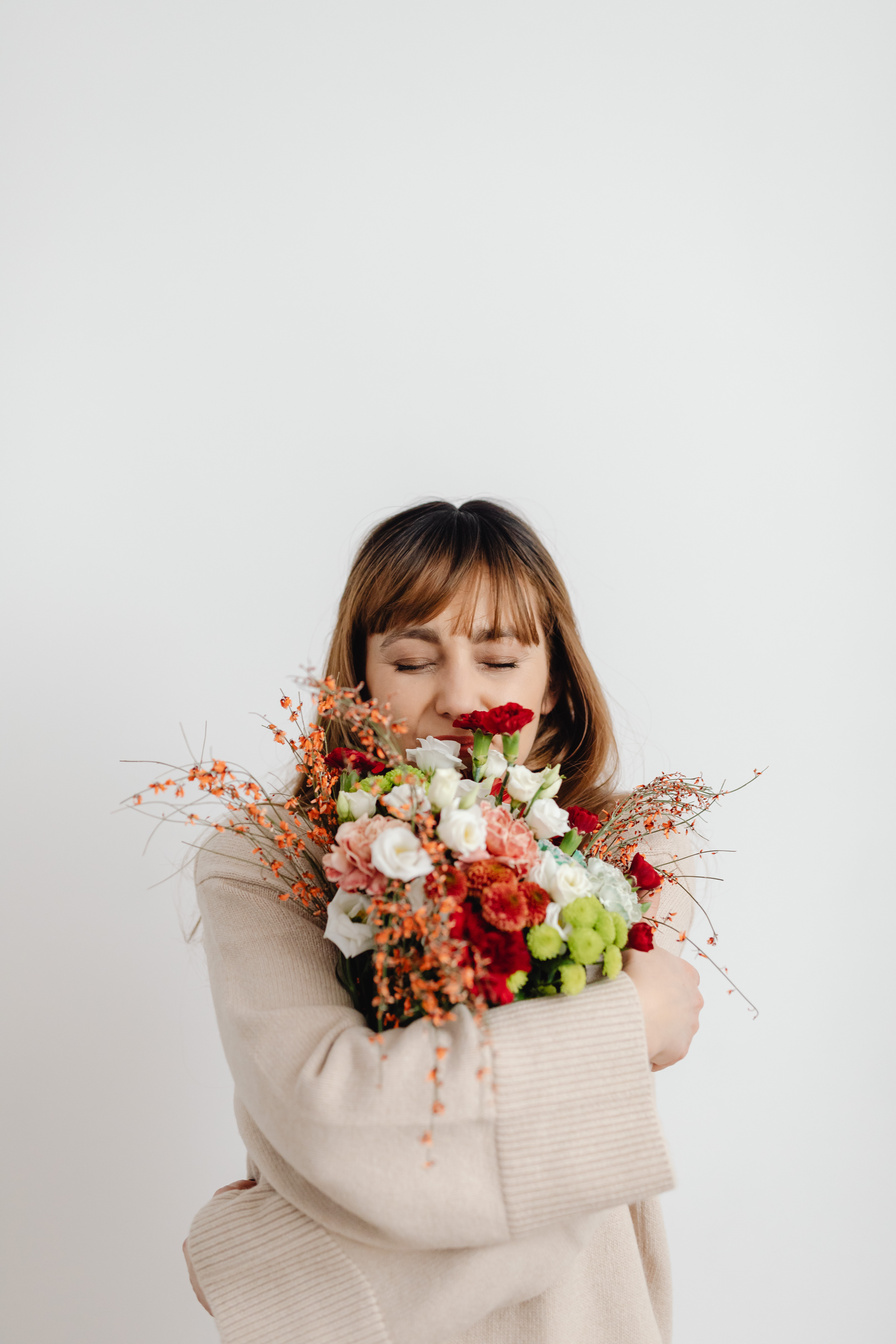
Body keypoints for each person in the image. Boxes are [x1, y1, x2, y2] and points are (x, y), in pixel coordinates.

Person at [182, 499, 704, 1344]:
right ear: (360, 684)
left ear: (556, 682)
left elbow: (567, 1168)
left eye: (499, 658)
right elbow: (334, 1115)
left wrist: (276, 1269)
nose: (460, 698)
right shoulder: (266, 862)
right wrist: (623, 1028)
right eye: (414, 660)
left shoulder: (634, 856)